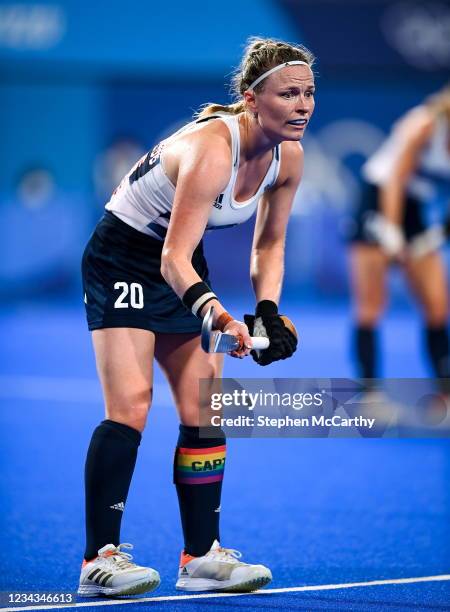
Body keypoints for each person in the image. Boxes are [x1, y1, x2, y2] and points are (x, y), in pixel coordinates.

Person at [79, 36, 314, 597]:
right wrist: (219, 316)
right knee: (132, 405)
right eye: (288, 94)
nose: (303, 105)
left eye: (308, 93)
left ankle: (200, 558)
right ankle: (98, 561)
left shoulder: (290, 157)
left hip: (180, 262)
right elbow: (170, 258)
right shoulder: (213, 148)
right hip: (125, 258)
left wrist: (266, 315)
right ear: (253, 99)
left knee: (202, 407)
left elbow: (270, 246)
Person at [348, 86, 450, 396]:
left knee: (437, 307)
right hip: (378, 201)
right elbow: (395, 179)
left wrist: (440, 233)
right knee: (371, 305)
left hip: (415, 210)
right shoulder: (424, 124)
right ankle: (368, 395)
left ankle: (444, 395)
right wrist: (391, 232)